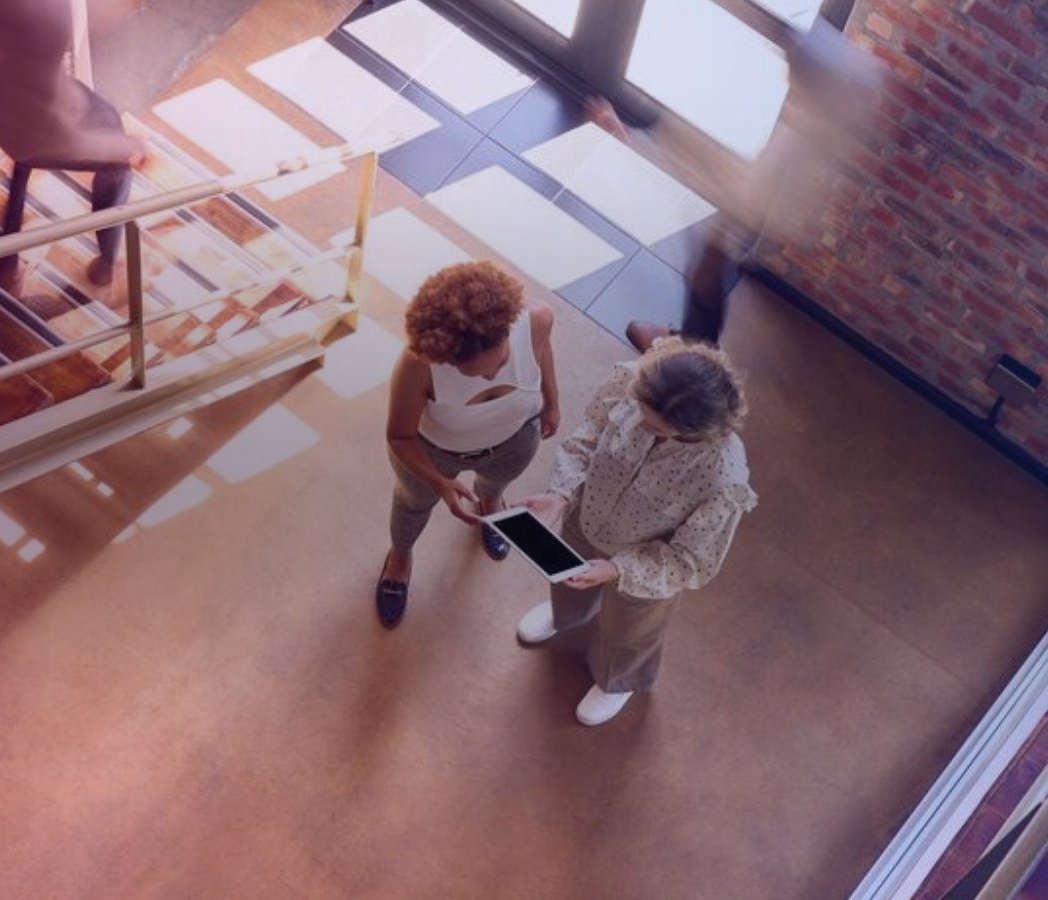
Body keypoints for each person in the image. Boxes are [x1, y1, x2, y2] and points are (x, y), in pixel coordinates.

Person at [583, 21, 884, 351]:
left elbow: (730, 183)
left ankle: (693, 353)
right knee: (706, 267)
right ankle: (692, 345)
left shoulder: (791, 151)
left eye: (794, 64)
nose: (787, 65)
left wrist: (629, 139)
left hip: (752, 201)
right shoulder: (820, 102)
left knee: (707, 271)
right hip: (753, 197)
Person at [513, 338, 757, 726]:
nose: (640, 425)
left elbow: (688, 560)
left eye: (654, 426)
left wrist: (618, 570)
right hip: (588, 516)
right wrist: (561, 493)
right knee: (566, 577)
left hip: (647, 563)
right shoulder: (631, 384)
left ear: (693, 432)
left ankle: (618, 681)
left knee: (631, 629)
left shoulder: (722, 479)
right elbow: (588, 438)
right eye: (640, 413)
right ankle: (566, 616)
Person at [0, 0, 146, 287]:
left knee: (27, 154)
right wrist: (123, 148)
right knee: (114, 160)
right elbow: (61, 137)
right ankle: (105, 262)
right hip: (32, 134)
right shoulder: (45, 17)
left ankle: (5, 259)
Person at [376, 261, 561, 628]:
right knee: (413, 504)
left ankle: (491, 503)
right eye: (473, 373)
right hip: (434, 453)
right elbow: (399, 435)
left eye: (500, 363)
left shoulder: (537, 318)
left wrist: (552, 402)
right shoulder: (419, 364)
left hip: (514, 438)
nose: (491, 376)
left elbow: (543, 352)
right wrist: (438, 483)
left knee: (496, 484)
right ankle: (400, 555)